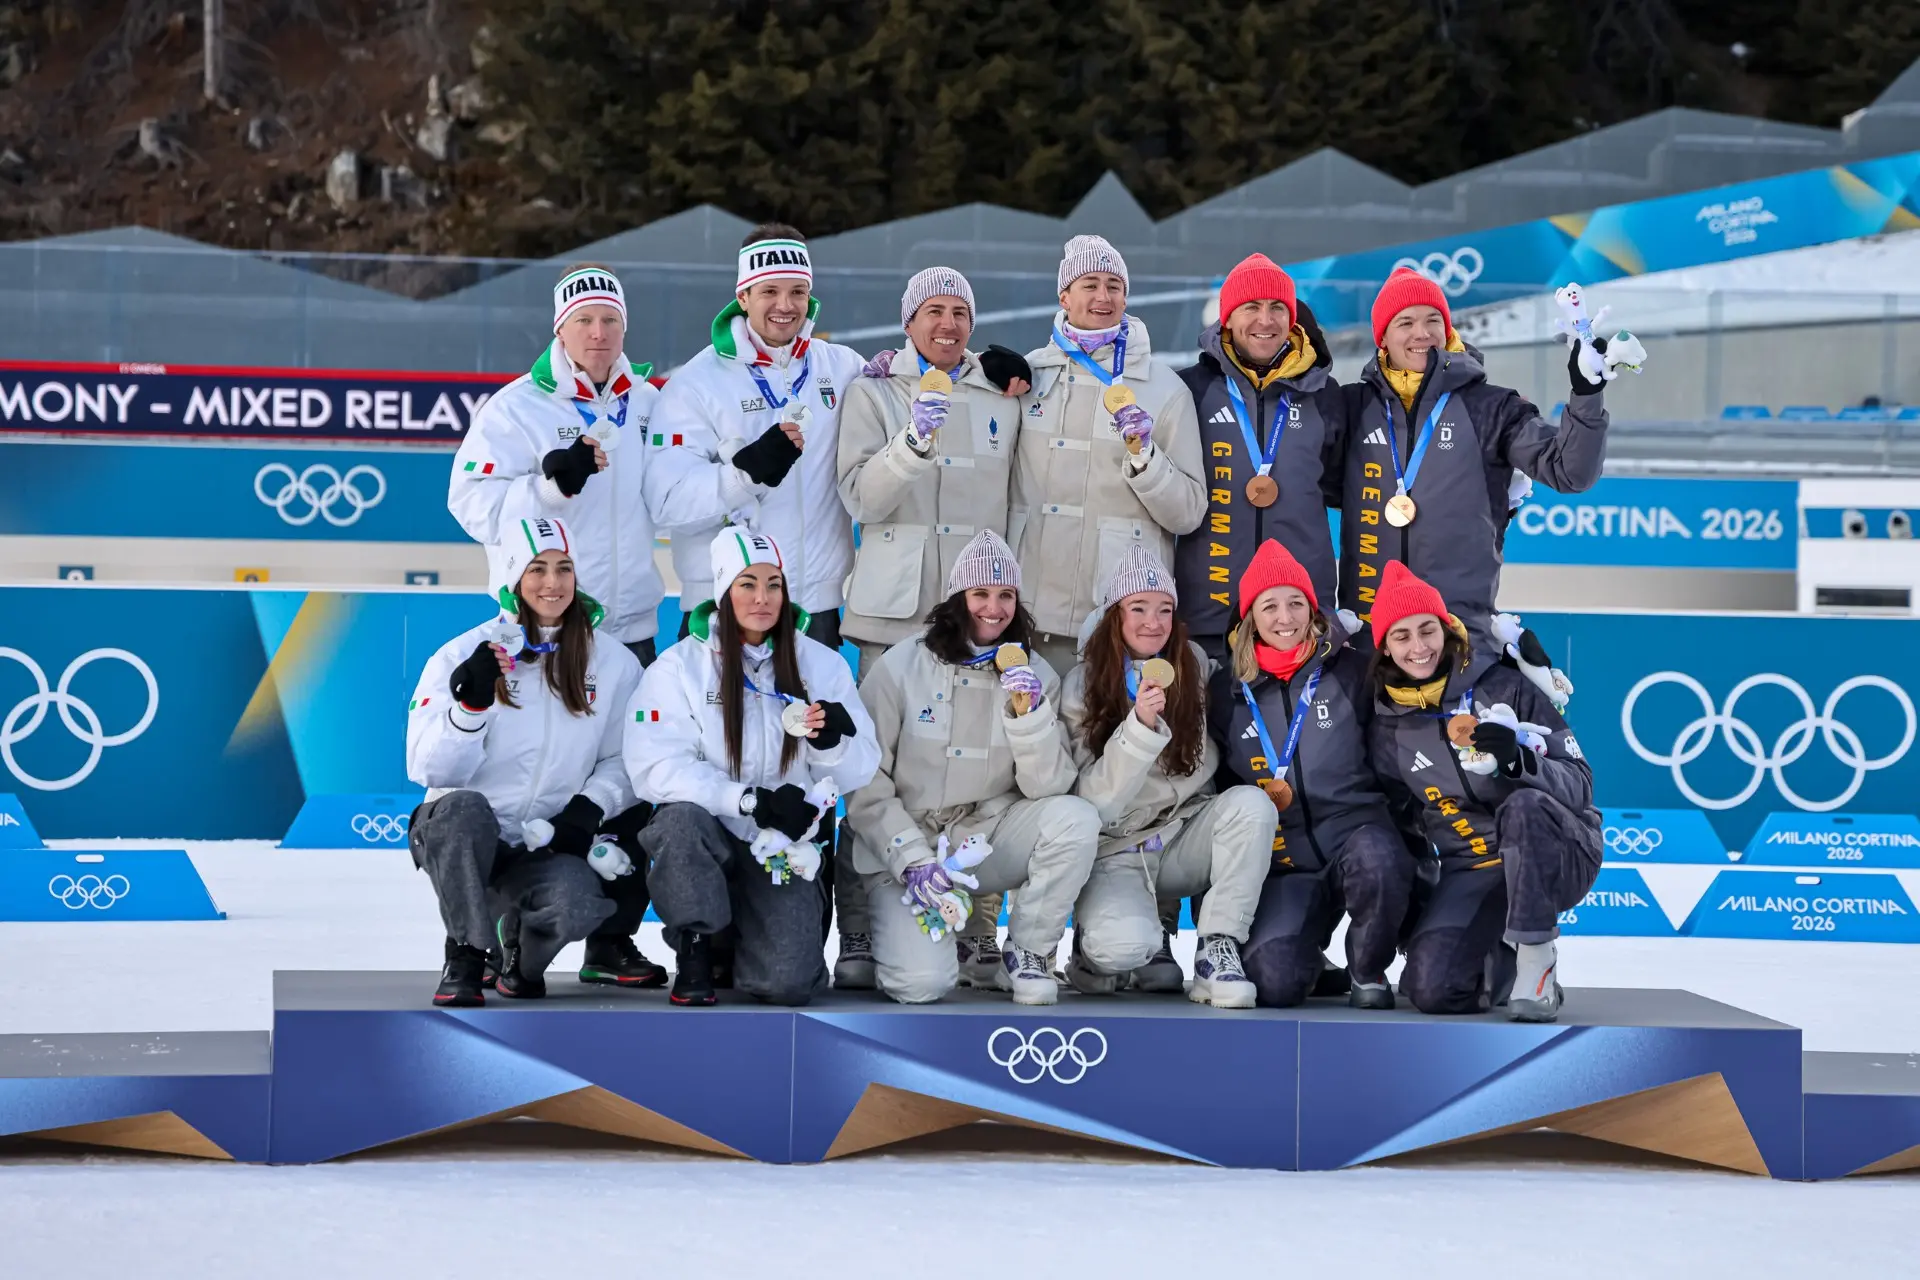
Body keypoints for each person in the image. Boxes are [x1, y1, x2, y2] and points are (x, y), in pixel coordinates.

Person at [831, 266, 1033, 987]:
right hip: (895, 610)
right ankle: (857, 925)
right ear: (908, 320)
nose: (947, 325)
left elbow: (1014, 503)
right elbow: (859, 496)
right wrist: (909, 444)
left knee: (982, 764)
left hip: (974, 615)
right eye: (933, 312)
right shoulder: (873, 393)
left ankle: (978, 929)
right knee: (872, 768)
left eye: (960, 313)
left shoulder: (1000, 397)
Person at [406, 516, 664, 1007]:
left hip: (543, 840)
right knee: (463, 811)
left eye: (563, 569)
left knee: (581, 904)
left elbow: (627, 759)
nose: (552, 583)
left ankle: (520, 960)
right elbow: (431, 771)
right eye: (537, 569)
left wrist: (589, 807)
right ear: (513, 579)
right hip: (466, 833)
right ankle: (464, 953)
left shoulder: (610, 661)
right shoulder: (463, 653)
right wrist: (470, 710)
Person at [625, 527, 878, 1007]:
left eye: (774, 584)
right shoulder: (680, 667)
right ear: (722, 591)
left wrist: (831, 747)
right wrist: (743, 799)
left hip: (780, 846)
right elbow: (653, 766)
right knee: (678, 823)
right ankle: (697, 948)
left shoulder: (820, 665)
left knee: (789, 985)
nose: (762, 598)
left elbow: (862, 769)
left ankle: (743, 939)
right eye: (747, 584)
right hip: (712, 834)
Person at [846, 530, 1101, 1006]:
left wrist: (1028, 717)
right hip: (909, 850)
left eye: (1006, 595)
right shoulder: (900, 667)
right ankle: (891, 936)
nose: (994, 607)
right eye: (980, 593)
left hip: (979, 844)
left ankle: (1028, 952)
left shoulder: (1036, 674)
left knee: (1076, 819)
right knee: (921, 984)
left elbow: (1051, 788)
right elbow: (865, 784)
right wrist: (913, 860)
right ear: (957, 599)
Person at [1365, 560, 1601, 1022]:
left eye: (1427, 630)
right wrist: (1418, 926)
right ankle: (1502, 962)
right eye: (1402, 636)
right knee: (1430, 990)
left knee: (1523, 805)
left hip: (1557, 849)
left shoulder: (1505, 686)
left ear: (1447, 631)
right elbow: (1401, 828)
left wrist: (1521, 762)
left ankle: (1536, 954)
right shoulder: (1387, 727)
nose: (1419, 647)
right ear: (1385, 650)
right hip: (1474, 867)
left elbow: (1580, 784)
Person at [1338, 266, 1612, 647]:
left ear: (1448, 330)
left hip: (1459, 637)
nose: (1422, 333)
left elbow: (1570, 472)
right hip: (1368, 638)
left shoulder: (1490, 407)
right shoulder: (1351, 408)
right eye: (1405, 322)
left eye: (1433, 319)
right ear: (1382, 337)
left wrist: (1586, 392)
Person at [1059, 543, 1273, 1008]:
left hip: (1184, 835)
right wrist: (1138, 729)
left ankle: (1218, 948)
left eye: (1165, 610)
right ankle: (1090, 948)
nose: (1153, 623)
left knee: (1252, 807)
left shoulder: (1192, 663)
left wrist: (1329, 636)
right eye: (1139, 608)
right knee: (1122, 950)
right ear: (1115, 614)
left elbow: (1260, 663)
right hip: (1119, 845)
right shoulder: (1081, 684)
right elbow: (1092, 801)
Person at [1209, 540, 1413, 1008]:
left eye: (1296, 602)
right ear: (1249, 619)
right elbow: (1217, 797)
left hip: (1356, 839)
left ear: (1313, 608)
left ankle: (1368, 968)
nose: (1286, 618)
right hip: (1285, 865)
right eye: (1270, 606)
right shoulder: (1225, 692)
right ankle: (1308, 954)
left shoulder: (1353, 670)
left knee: (1379, 859)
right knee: (1274, 984)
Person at [645, 224, 868, 649]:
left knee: (816, 718)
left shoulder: (842, 368)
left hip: (815, 608)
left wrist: (981, 370)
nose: (785, 306)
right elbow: (664, 501)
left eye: (797, 292)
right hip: (723, 606)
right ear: (743, 296)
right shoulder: (695, 383)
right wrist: (742, 475)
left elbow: (905, 390)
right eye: (769, 291)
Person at [448, 265, 668, 666]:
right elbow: (472, 505)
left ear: (624, 326)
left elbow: (670, 500)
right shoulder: (516, 407)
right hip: (544, 626)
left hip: (633, 634)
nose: (598, 333)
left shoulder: (648, 402)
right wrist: (550, 488)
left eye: (610, 319)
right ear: (560, 329)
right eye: (583, 320)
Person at [1012, 235, 1207, 675]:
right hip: (1030, 610)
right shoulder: (1028, 377)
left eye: (1115, 285)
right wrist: (897, 369)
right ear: (1064, 295)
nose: (1104, 296)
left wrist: (1146, 459)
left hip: (1119, 618)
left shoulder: (1164, 387)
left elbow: (1189, 512)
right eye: (1090, 283)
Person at [1175, 254, 1343, 667]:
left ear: (1293, 319)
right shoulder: (1189, 390)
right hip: (1209, 612)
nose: (1265, 321)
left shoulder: (1325, 394)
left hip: (1298, 616)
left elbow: (1348, 484)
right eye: (1251, 307)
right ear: (1227, 318)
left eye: (1277, 308)